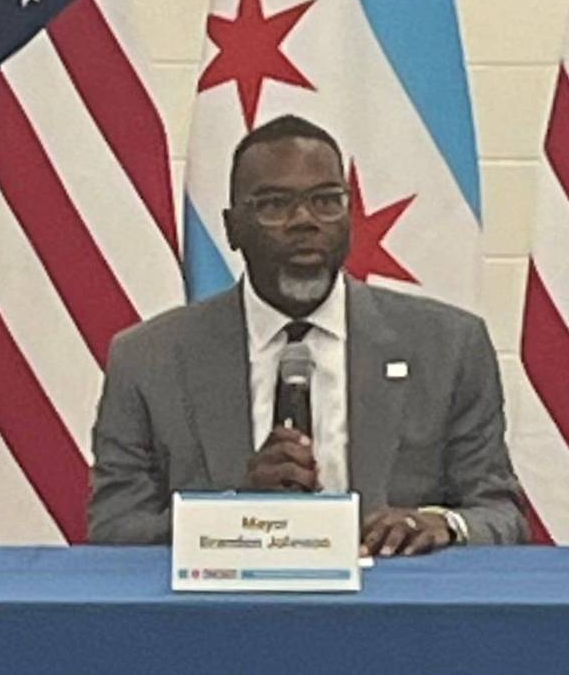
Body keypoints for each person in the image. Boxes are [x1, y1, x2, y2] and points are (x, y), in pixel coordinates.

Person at [88, 115, 527, 555]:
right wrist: (234, 514)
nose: (305, 221)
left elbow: (499, 514)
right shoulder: (149, 359)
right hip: (225, 615)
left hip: (392, 610)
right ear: (232, 227)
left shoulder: (449, 347)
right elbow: (115, 529)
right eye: (275, 205)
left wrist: (442, 523)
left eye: (326, 201)